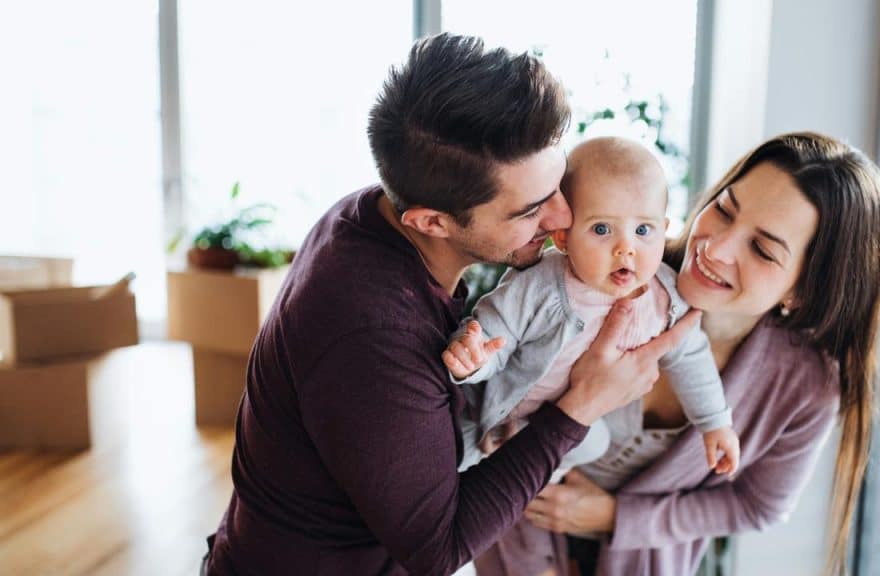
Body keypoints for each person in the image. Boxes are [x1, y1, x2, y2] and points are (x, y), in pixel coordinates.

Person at [201, 33, 699, 576]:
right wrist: (579, 408)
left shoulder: (376, 211)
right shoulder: (372, 336)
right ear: (432, 222)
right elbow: (439, 549)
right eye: (532, 210)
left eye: (558, 187)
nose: (562, 218)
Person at [474, 132, 880, 576]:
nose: (716, 247)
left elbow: (757, 505)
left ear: (804, 290)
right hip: (514, 543)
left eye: (762, 249)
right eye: (725, 210)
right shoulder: (607, 275)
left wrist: (616, 517)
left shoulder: (806, 388)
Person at [445, 137, 738, 484]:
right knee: (443, 473)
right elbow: (494, 332)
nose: (625, 248)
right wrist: (475, 357)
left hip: (555, 430)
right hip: (487, 408)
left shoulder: (667, 301)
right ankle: (495, 447)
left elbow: (692, 358)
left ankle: (534, 462)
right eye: (602, 229)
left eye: (643, 230)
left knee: (595, 442)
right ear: (564, 237)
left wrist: (715, 423)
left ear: (664, 230)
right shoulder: (542, 285)